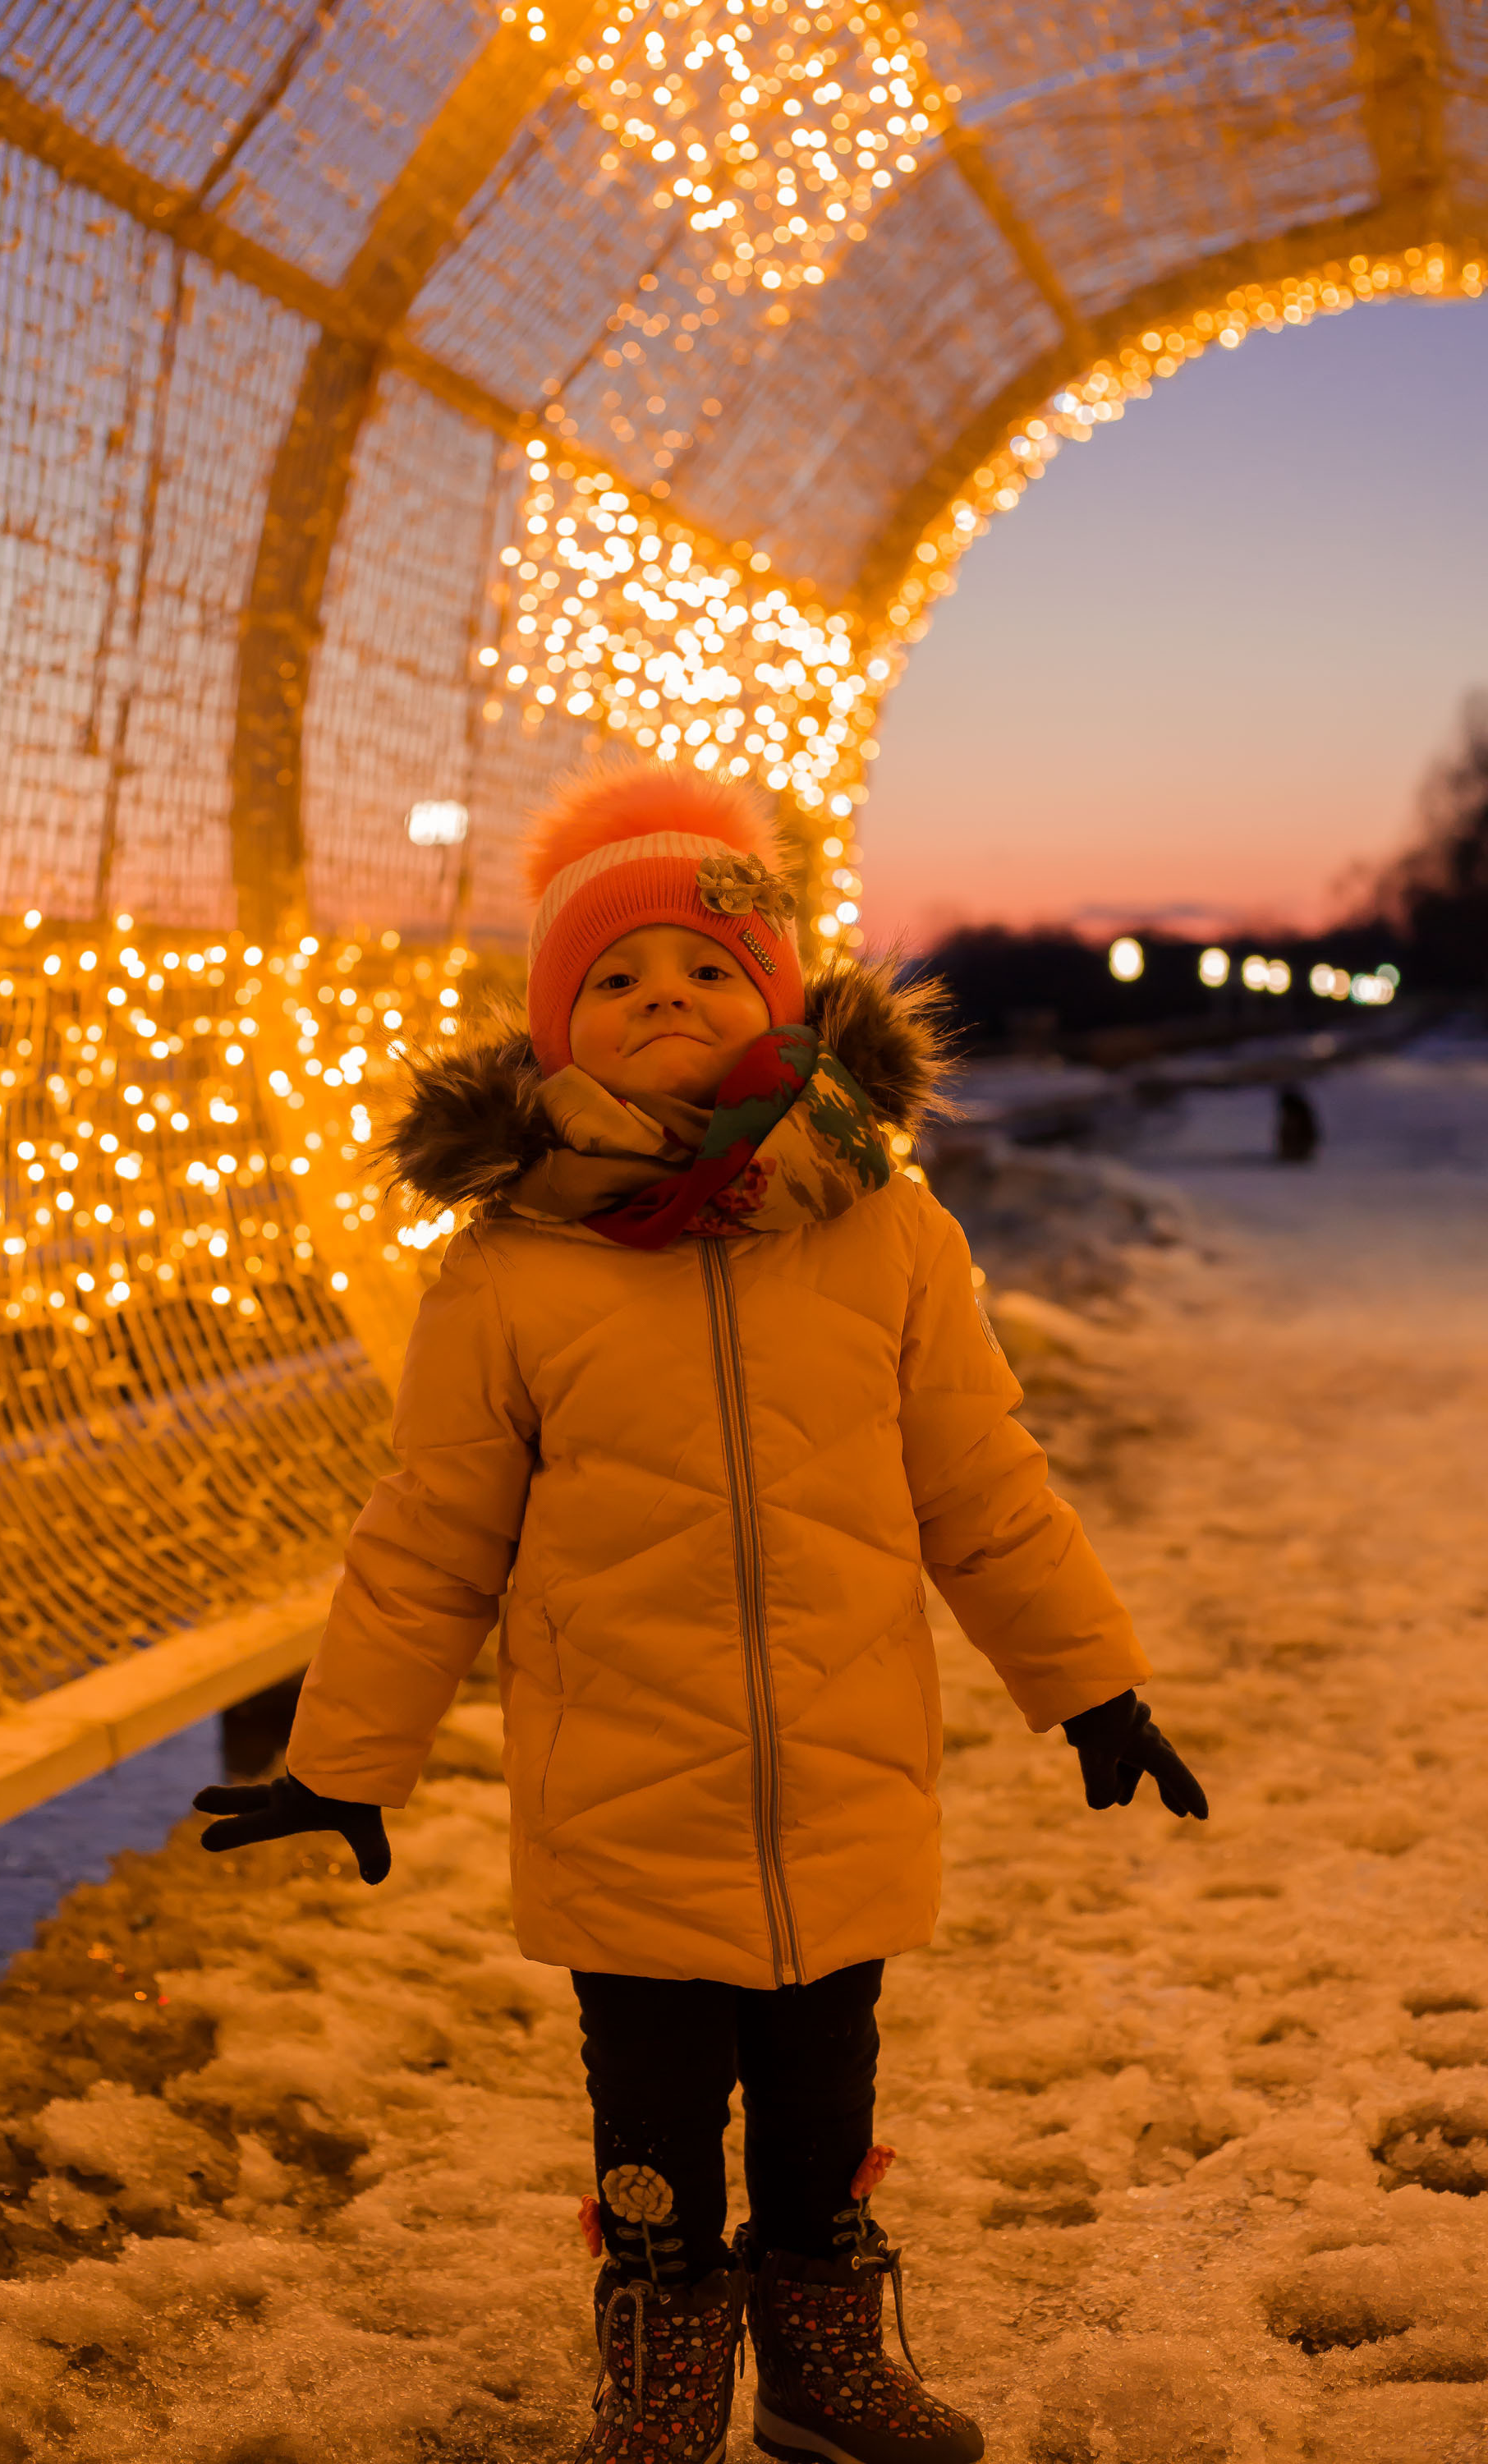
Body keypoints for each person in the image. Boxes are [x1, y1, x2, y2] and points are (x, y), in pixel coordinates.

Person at [193, 760, 1208, 2464]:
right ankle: (661, 2366)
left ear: (783, 1002)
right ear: (555, 1028)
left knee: (824, 2109)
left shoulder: (886, 1232)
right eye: (615, 976)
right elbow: (433, 1529)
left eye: (708, 969)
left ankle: (820, 2360)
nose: (665, 995)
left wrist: (1091, 1687)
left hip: (841, 1780)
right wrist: (343, 1756)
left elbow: (982, 1485)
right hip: (620, 1797)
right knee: (650, 2124)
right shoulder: (510, 1269)